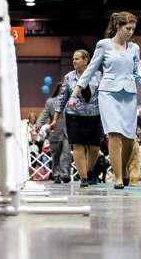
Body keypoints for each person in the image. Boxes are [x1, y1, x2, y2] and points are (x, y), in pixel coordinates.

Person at [73, 12, 141, 189]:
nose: (131, 32)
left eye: (133, 29)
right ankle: (118, 177)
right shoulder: (103, 45)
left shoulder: (134, 48)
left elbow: (139, 77)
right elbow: (90, 71)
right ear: (118, 27)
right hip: (108, 94)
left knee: (128, 139)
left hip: (129, 95)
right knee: (114, 135)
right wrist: (76, 92)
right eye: (128, 28)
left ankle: (125, 169)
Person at [52, 49, 103, 188]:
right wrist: (55, 119)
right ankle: (84, 178)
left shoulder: (98, 75)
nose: (74, 61)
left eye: (77, 59)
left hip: (95, 116)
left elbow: (105, 96)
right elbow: (62, 98)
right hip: (74, 117)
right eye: (73, 59)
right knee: (78, 147)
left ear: (86, 60)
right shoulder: (68, 77)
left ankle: (88, 169)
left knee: (95, 148)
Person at [36, 83, 70, 183]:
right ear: (58, 90)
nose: (63, 91)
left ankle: (65, 174)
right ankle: (56, 175)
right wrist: (38, 124)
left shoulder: (71, 101)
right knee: (56, 155)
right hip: (54, 132)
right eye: (62, 89)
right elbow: (44, 114)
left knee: (66, 153)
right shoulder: (50, 102)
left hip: (68, 132)